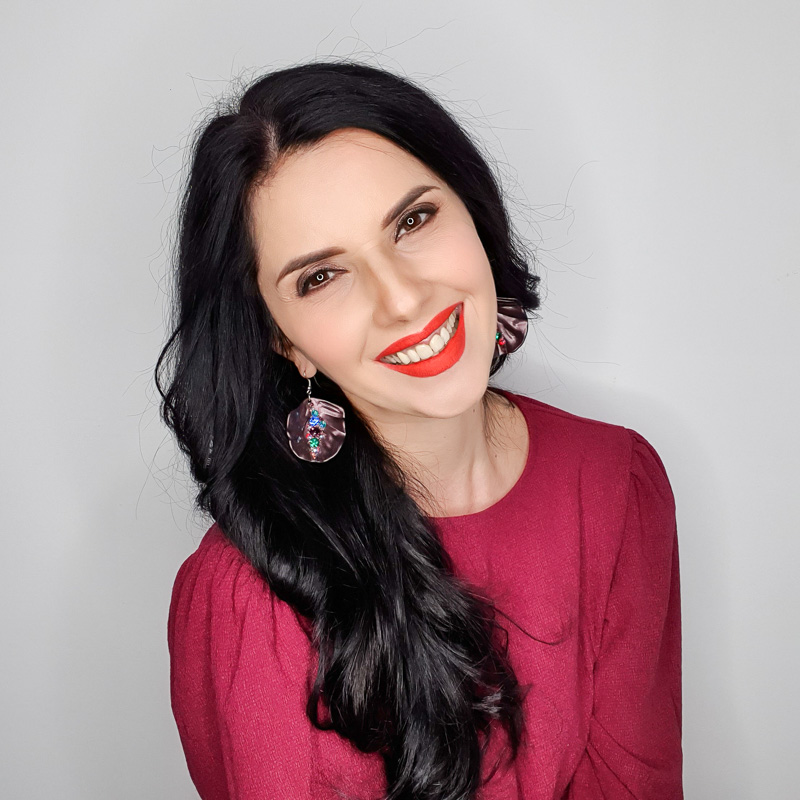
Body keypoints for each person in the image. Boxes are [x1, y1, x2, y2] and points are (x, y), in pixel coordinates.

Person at [157, 61, 682, 800]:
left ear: (470, 207)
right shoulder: (247, 596)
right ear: (284, 340)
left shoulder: (616, 482)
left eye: (412, 221)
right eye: (321, 277)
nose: (402, 300)